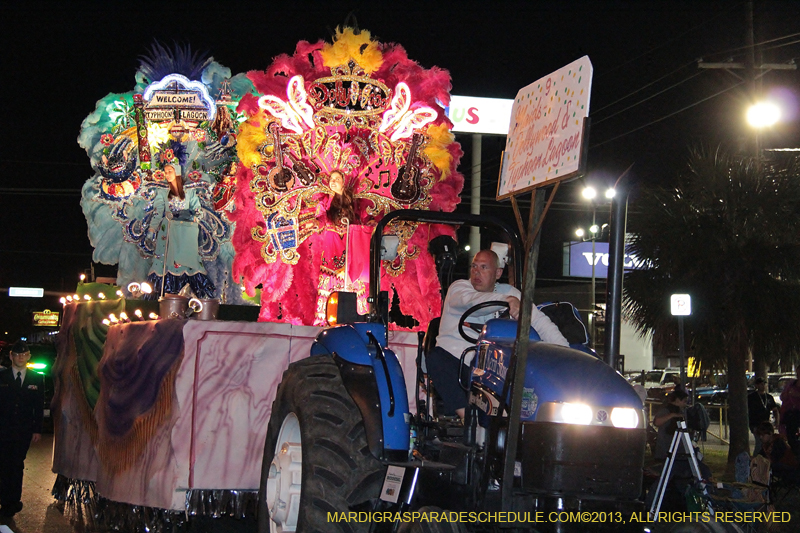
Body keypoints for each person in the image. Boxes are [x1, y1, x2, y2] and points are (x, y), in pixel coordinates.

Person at [427, 249, 569, 419]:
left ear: (498, 273)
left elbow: (539, 322)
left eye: (484, 267)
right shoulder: (459, 289)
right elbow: (472, 302)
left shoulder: (511, 293)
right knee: (436, 358)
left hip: (492, 366)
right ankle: (467, 419)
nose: (477, 272)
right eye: (474, 266)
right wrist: (507, 301)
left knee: (523, 367)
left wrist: (565, 352)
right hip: (458, 361)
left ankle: (519, 419)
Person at [146, 162, 216, 299]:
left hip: (185, 232)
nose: (167, 175)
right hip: (168, 231)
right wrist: (152, 230)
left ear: (177, 172)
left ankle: (193, 295)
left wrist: (192, 217)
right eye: (165, 172)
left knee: (188, 261)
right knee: (166, 261)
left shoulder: (189, 191)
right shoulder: (163, 192)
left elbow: (198, 210)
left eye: (170, 171)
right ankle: (166, 295)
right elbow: (158, 213)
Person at [0, 340, 44, 517]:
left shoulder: (36, 378)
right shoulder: (2, 377)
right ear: (11, 356)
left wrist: (37, 429)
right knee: (4, 465)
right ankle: (5, 501)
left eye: (24, 355)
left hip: (23, 430)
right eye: (17, 355)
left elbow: (38, 406)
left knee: (17, 464)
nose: (21, 358)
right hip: (3, 429)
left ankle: (14, 501)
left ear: (29, 357)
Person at [653, 389, 689, 461]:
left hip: (675, 448)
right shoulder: (666, 410)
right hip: (665, 448)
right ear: (677, 400)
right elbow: (657, 422)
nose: (685, 404)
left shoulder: (680, 410)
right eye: (684, 401)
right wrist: (672, 415)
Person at [748, 377, 779, 455]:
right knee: (759, 443)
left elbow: (775, 410)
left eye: (764, 384)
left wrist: (777, 421)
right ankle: (756, 457)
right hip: (755, 424)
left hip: (766, 424)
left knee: (766, 443)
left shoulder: (769, 397)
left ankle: (764, 457)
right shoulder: (751, 397)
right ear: (757, 385)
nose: (763, 386)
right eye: (761, 384)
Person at [779, 368, 800, 455]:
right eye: (798, 373)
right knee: (791, 439)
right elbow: (782, 397)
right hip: (790, 416)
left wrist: (797, 395)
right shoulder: (791, 384)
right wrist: (787, 394)